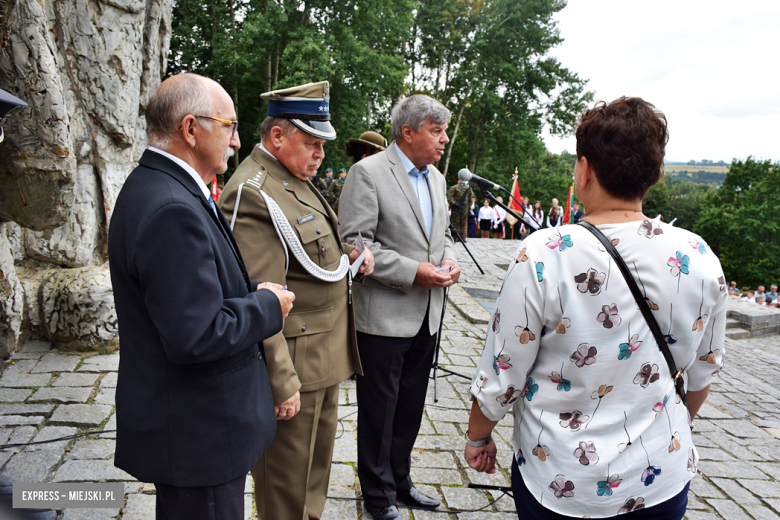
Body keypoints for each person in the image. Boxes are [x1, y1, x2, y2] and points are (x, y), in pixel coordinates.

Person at [464, 97, 727, 520]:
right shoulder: (698, 254)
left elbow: (502, 370)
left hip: (562, 481)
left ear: (585, 171)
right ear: (654, 174)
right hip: (659, 476)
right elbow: (702, 374)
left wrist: (478, 438)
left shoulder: (546, 254)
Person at [108, 73, 295, 520]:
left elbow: (193, 293)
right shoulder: (171, 205)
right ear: (191, 129)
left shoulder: (163, 187)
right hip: (200, 435)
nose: (235, 141)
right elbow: (197, 333)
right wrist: (268, 306)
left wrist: (250, 292)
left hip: (195, 430)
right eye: (229, 126)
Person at [219, 81, 374, 520]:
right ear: (277, 136)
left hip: (322, 358)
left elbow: (314, 254)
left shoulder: (294, 178)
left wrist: (350, 257)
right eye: (311, 142)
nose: (321, 154)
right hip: (294, 367)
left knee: (312, 484)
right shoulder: (254, 191)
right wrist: (279, 380)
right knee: (284, 493)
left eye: (323, 144)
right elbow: (257, 295)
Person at [338, 94, 461, 520]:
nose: (444, 139)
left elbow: (440, 236)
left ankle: (401, 482)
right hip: (384, 317)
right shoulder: (367, 173)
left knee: (410, 407)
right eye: (436, 130)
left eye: (444, 130)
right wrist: (416, 272)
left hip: (427, 315)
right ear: (407, 132)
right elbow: (354, 244)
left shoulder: (438, 179)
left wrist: (446, 261)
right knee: (379, 413)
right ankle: (377, 497)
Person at [447, 174, 473, 239]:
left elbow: (470, 199)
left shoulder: (468, 188)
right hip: (456, 206)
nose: (462, 180)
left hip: (465, 207)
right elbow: (449, 196)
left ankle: (462, 236)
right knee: (456, 222)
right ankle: (455, 236)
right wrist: (454, 203)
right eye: (460, 179)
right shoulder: (454, 187)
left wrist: (469, 208)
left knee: (463, 222)